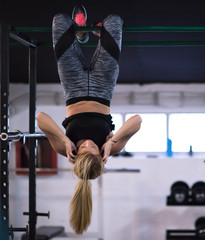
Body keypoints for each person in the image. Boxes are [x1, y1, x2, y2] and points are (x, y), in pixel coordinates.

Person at [36, 5, 142, 235]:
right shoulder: (109, 149)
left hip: (72, 86)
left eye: (83, 147)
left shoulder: (67, 150)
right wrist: (112, 142)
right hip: (103, 86)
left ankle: (80, 35)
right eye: (92, 147)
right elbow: (137, 120)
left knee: (60, 20)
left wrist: (64, 140)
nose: (86, 144)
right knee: (115, 19)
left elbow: (40, 117)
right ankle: (93, 34)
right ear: (101, 158)